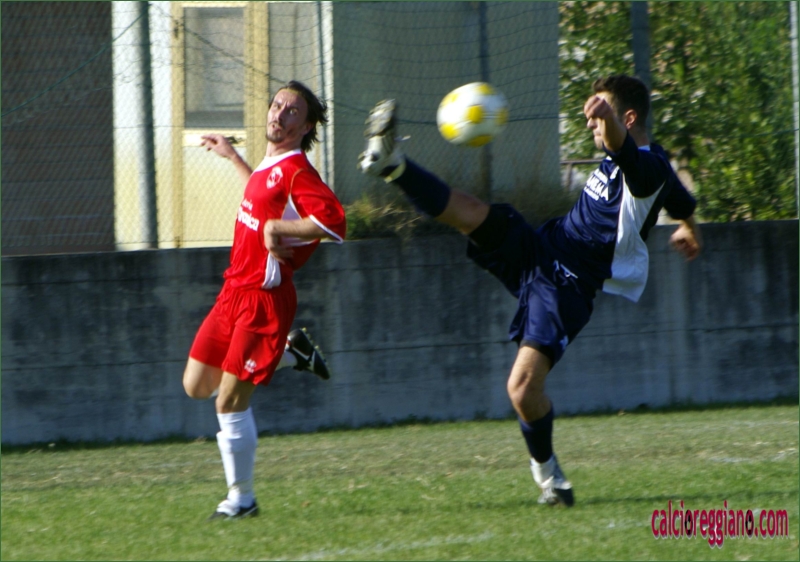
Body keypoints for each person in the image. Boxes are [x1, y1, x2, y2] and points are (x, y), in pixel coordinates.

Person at [358, 74, 702, 507]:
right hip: (542, 247)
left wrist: (608, 121)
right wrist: (690, 226)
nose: (591, 124)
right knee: (471, 213)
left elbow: (630, 157)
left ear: (627, 118)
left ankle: (549, 477)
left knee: (521, 390)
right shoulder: (658, 165)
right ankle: (394, 164)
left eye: (601, 115)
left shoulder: (646, 168)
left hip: (568, 285)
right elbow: (681, 200)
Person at [183, 80, 346, 520]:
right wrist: (233, 157)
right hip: (232, 293)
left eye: (292, 111)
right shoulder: (271, 166)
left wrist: (280, 230)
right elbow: (260, 199)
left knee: (229, 402)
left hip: (264, 300)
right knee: (196, 385)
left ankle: (242, 500)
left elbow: (334, 221)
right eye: (276, 105)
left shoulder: (297, 171)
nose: (279, 113)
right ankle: (292, 354)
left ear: (305, 126)